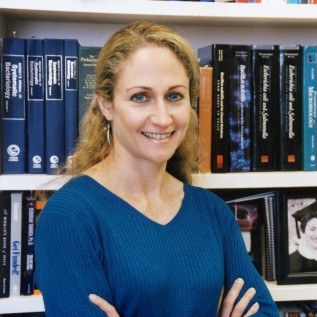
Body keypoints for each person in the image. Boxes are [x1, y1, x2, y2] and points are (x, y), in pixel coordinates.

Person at [34, 22, 279, 317]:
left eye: (174, 96)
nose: (163, 119)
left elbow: (264, 312)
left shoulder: (212, 212)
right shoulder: (69, 217)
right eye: (141, 97)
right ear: (106, 105)